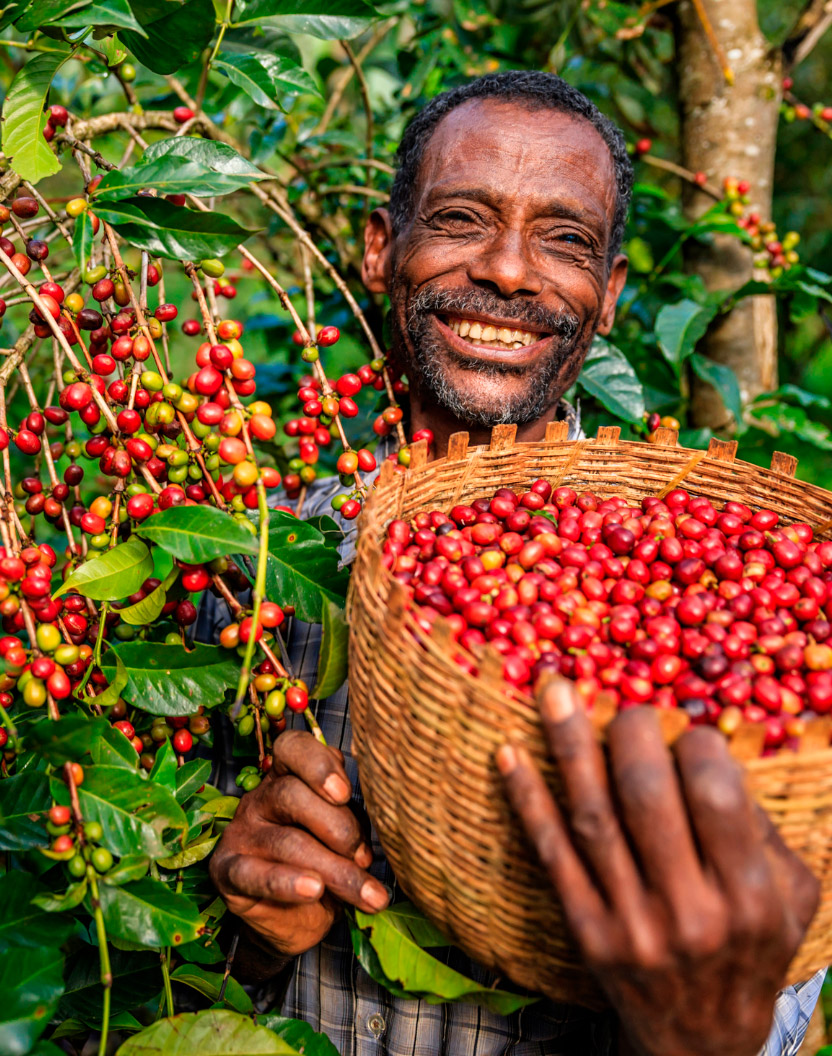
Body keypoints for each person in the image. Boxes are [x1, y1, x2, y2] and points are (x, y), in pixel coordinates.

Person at [208, 71, 824, 1056]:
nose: (507, 270)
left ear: (611, 296)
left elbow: (776, 998)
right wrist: (246, 937)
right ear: (381, 248)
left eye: (566, 241)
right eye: (461, 219)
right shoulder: (254, 576)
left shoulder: (677, 577)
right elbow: (168, 951)